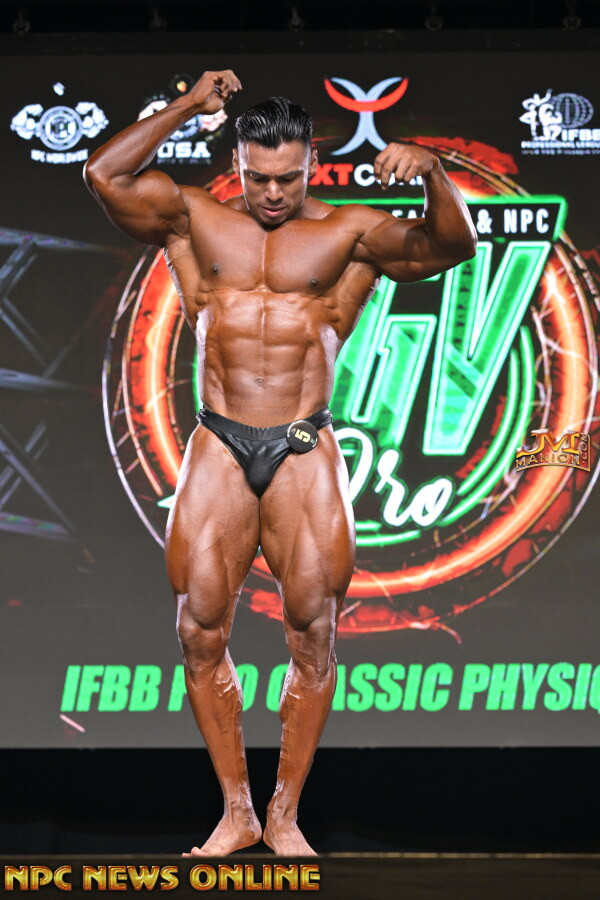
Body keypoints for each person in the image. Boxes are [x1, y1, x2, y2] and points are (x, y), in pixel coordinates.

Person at [83, 69, 477, 857]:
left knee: (314, 630)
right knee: (198, 628)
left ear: (310, 165)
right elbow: (104, 175)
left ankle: (286, 815)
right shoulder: (194, 219)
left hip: (302, 444)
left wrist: (434, 173)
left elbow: (451, 245)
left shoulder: (350, 232)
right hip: (220, 441)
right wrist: (188, 106)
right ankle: (237, 812)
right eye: (258, 178)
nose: (272, 193)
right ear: (238, 163)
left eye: (288, 178)